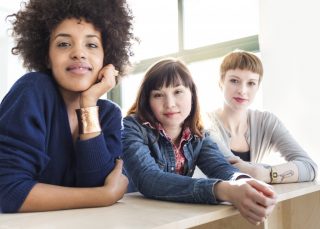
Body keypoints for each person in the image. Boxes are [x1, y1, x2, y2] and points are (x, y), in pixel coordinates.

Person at [0, 0, 135, 213]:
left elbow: (96, 181)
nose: (78, 53)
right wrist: (103, 196)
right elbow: (6, 191)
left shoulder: (109, 114)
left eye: (91, 45)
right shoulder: (32, 91)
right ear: (46, 56)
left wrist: (89, 104)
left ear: (106, 59)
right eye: (64, 44)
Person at [122, 58, 277, 225]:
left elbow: (219, 166)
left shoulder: (198, 132)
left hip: (173, 217)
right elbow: (148, 179)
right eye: (158, 95)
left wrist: (242, 180)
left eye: (178, 92)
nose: (170, 104)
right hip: (132, 219)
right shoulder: (132, 127)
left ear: (192, 95)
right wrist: (222, 190)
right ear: (148, 100)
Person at [206, 50, 317, 184]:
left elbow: (310, 168)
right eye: (234, 81)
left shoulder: (266, 121)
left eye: (251, 83)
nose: (242, 90)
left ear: (258, 87)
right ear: (221, 82)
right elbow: (234, 172)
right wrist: (278, 171)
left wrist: (266, 174)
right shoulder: (205, 123)